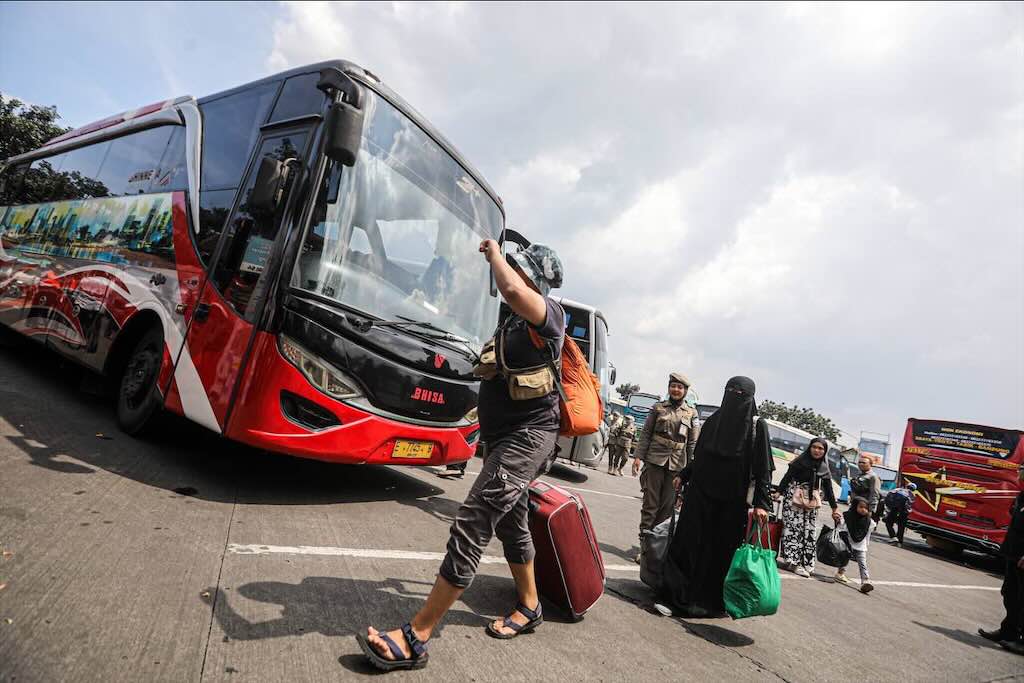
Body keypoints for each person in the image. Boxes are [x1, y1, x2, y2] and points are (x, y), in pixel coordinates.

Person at [357, 240, 565, 671]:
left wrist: (495, 256)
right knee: (511, 520)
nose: (511, 274)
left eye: (521, 271)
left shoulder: (549, 316)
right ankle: (530, 606)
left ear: (537, 282)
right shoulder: (507, 325)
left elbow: (511, 291)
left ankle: (417, 636)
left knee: (475, 517)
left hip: (529, 438)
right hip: (504, 439)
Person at [660, 376, 773, 617]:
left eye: (740, 394)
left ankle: (709, 603)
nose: (734, 396)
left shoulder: (757, 426)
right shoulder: (714, 421)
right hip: (700, 494)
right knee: (688, 543)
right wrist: (685, 474)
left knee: (719, 551)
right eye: (730, 391)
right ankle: (676, 597)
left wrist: (763, 503)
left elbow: (763, 467)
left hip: (732, 503)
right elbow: (701, 456)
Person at [631, 373, 699, 563]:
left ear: (685, 391)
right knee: (650, 505)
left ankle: (655, 548)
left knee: (667, 508)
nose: (676, 390)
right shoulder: (658, 408)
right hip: (654, 461)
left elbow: (693, 444)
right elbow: (646, 434)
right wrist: (638, 457)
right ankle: (644, 547)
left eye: (680, 387)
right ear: (669, 388)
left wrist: (691, 471)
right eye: (673, 386)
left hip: (677, 466)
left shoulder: (691, 414)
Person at [775, 437, 842, 577]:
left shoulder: (823, 468)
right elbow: (787, 477)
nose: (817, 451)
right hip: (793, 501)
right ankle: (793, 563)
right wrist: (778, 492)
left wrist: (834, 508)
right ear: (809, 447)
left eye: (821, 448)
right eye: (814, 447)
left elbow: (828, 489)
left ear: (825, 452)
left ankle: (805, 563)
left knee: (808, 532)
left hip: (811, 504)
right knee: (793, 531)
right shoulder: (799, 462)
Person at [978, 462, 1024, 656]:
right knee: (1010, 593)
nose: (1018, 473)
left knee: (1023, 599)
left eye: (1021, 470)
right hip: (1013, 553)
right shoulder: (1022, 495)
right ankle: (1007, 632)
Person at [833, 496, 876, 594]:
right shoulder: (848, 516)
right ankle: (840, 573)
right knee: (845, 559)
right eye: (861, 507)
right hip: (847, 544)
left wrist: (866, 545)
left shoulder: (868, 521)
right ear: (855, 506)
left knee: (863, 563)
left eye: (866, 508)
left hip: (861, 546)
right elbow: (841, 527)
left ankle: (865, 581)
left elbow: (868, 533)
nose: (863, 510)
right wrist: (838, 521)